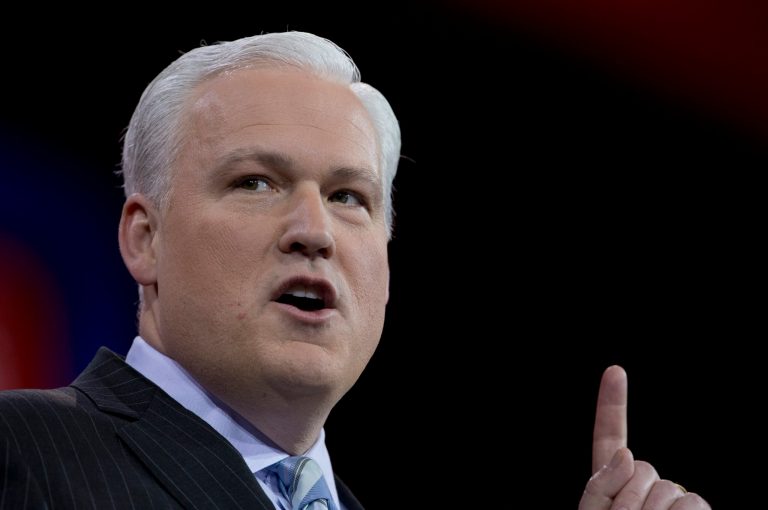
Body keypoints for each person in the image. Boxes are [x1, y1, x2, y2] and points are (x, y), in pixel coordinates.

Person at [0, 31, 709, 509]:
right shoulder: (21, 454)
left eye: (348, 197)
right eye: (256, 183)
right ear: (144, 238)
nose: (314, 232)